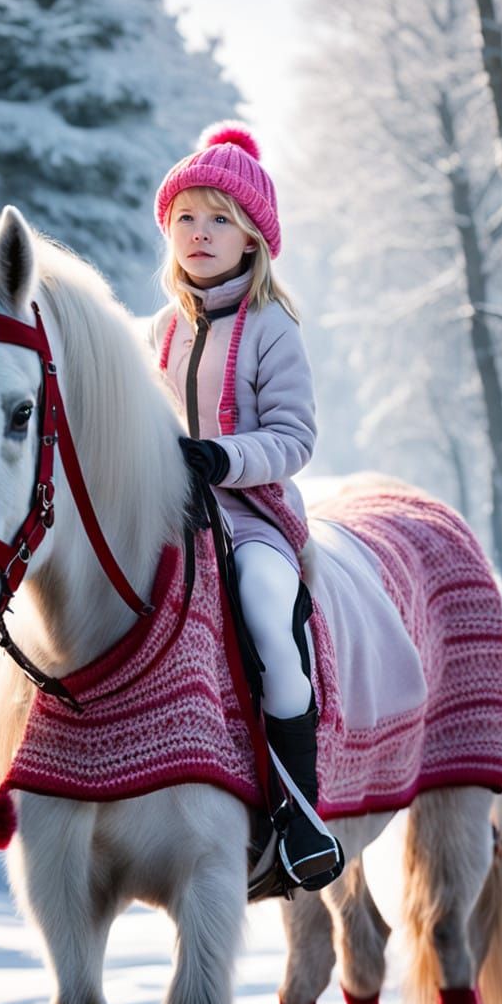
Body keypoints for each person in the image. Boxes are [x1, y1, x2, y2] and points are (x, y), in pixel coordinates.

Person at [150, 121, 342, 890]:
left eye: (219, 218)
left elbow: (294, 437)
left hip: (253, 516)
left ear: (253, 239)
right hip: (167, 511)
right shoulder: (160, 330)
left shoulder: (270, 328)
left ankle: (299, 808)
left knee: (266, 606)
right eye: (186, 218)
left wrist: (223, 457)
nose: (199, 233)